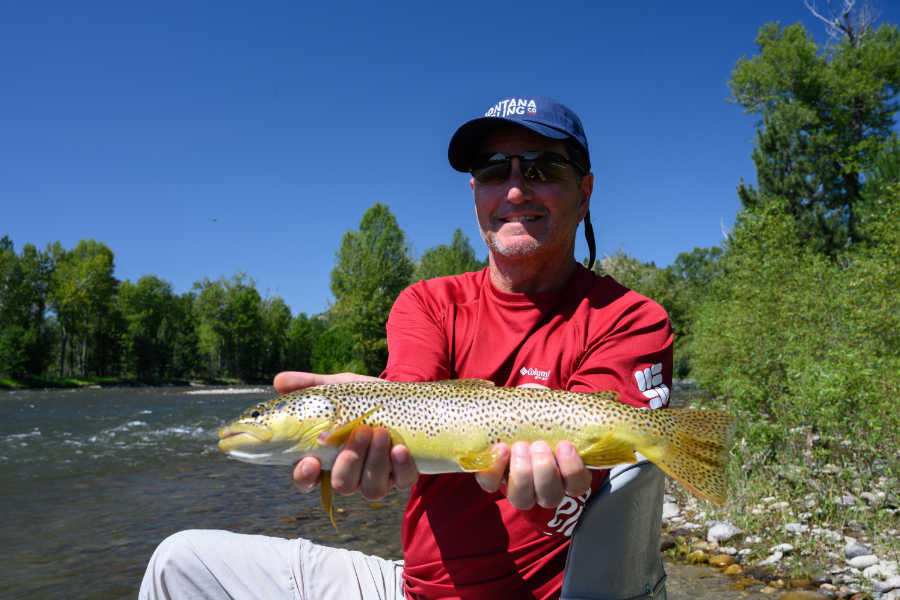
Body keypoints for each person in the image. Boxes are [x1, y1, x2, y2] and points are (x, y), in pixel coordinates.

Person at [140, 95, 673, 600]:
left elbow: (602, 473)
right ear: (474, 195)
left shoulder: (630, 318)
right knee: (176, 561)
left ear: (585, 193)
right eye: (493, 170)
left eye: (542, 168)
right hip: (410, 588)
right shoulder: (428, 302)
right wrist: (376, 416)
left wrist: (554, 481)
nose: (515, 190)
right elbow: (408, 395)